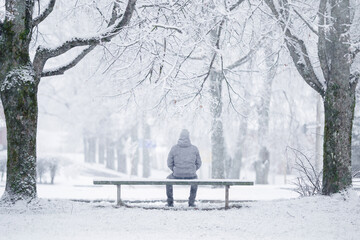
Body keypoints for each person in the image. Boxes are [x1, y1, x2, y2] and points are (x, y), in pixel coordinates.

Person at [166, 129, 202, 207]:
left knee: (168, 180)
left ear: (180, 137)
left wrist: (175, 170)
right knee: (195, 180)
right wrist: (192, 170)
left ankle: (170, 202)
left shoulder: (174, 148)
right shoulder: (194, 148)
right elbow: (199, 163)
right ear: (189, 137)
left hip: (177, 174)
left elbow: (169, 163)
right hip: (191, 175)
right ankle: (191, 202)